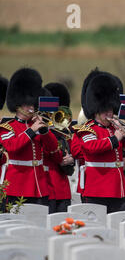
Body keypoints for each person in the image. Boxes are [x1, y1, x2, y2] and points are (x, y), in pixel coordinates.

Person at [75, 72, 125, 213]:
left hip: (119, 188)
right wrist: (115, 139)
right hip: (97, 189)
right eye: (105, 111)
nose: (109, 114)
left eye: (111, 110)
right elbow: (92, 147)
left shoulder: (115, 128)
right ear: (96, 111)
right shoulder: (88, 129)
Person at [0, 68, 60, 210]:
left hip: (39, 184)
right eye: (27, 104)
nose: (31, 107)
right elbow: (12, 147)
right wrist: (31, 130)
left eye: (33, 104)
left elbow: (53, 149)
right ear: (18, 105)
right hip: (17, 185)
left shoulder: (38, 125)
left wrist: (45, 131)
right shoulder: (7, 127)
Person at [43, 82, 75, 213]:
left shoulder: (65, 131)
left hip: (62, 187)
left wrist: (71, 159)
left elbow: (75, 151)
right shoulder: (40, 130)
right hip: (45, 184)